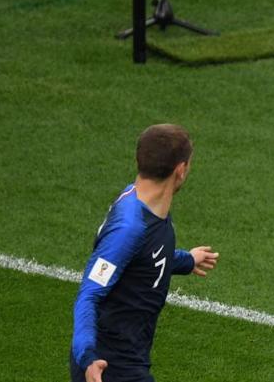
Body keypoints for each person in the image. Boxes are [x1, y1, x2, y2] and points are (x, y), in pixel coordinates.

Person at [70, 124, 219, 382]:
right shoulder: (129, 228)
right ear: (181, 170)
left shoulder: (149, 205)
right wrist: (88, 358)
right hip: (107, 366)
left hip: (129, 357)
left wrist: (186, 260)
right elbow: (89, 295)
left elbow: (147, 255)